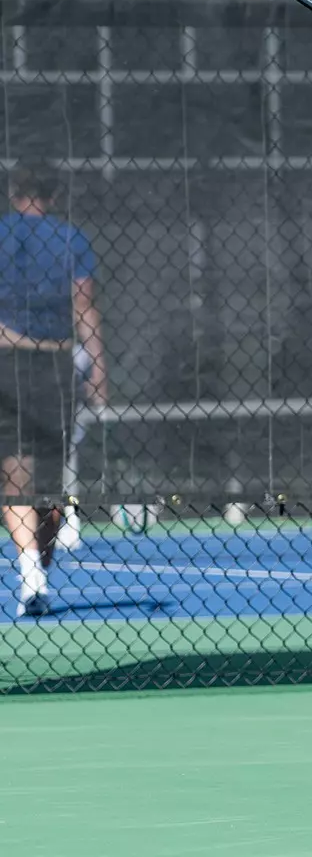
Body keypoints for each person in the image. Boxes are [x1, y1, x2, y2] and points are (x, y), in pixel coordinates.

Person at [0, 162, 107, 618]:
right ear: (54, 196)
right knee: (43, 482)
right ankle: (34, 574)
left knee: (18, 477)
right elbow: (85, 306)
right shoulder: (71, 238)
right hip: (54, 366)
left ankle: (32, 574)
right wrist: (98, 365)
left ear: (11, 192)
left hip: (12, 363)